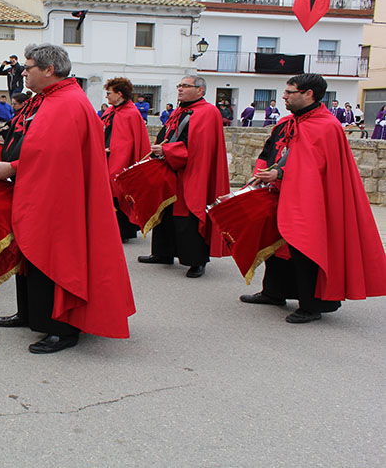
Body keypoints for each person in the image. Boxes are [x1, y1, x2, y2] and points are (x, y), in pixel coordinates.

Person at [0, 43, 135, 354]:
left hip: (59, 198)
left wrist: (11, 168)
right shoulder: (48, 100)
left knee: (54, 256)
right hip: (36, 189)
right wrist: (2, 167)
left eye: (28, 66)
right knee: (31, 253)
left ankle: (62, 329)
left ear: (49, 70)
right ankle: (32, 313)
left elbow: (54, 160)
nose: (22, 72)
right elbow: (31, 147)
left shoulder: (66, 104)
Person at [240, 73, 386, 323]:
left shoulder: (326, 126)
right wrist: (261, 174)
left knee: (303, 247)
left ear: (309, 94)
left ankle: (312, 304)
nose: (284, 96)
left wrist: (280, 173)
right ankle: (274, 292)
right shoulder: (287, 123)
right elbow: (270, 150)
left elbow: (313, 165)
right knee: (276, 245)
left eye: (290, 92)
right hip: (278, 192)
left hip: (310, 199)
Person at [138, 76, 230, 278]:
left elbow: (198, 147)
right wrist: (159, 151)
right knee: (165, 213)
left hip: (192, 172)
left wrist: (167, 150)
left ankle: (196, 261)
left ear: (200, 90)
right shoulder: (179, 111)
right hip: (169, 169)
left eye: (185, 86)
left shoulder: (207, 113)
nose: (180, 89)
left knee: (188, 215)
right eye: (179, 85)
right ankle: (163, 253)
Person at [101, 77, 151, 242]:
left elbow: (127, 142)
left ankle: (123, 231)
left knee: (118, 192)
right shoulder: (110, 111)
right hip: (106, 157)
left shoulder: (130, 113)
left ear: (119, 94)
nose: (107, 97)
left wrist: (114, 153)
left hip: (120, 160)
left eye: (109, 93)